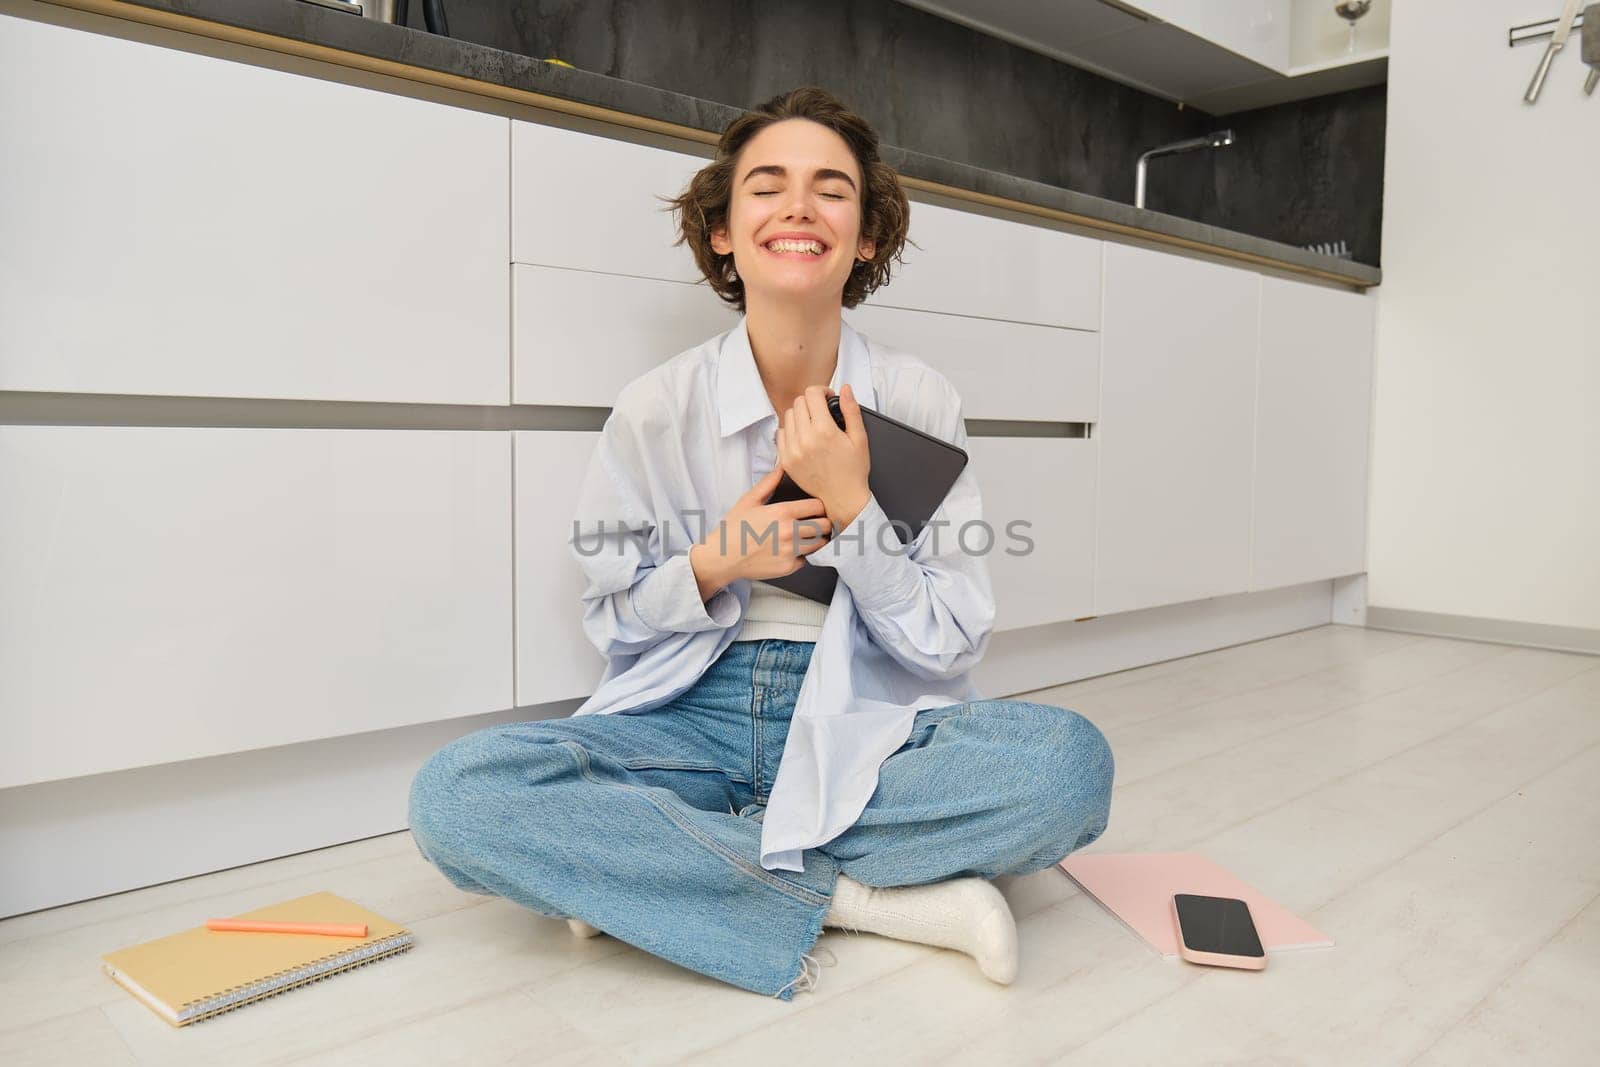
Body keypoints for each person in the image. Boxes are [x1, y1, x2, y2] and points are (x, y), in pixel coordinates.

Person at [408, 86, 1114, 1001]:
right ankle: (862, 898)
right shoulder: (657, 408)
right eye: (767, 186)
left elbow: (954, 639)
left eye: (832, 189)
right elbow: (612, 620)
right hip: (690, 712)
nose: (798, 206)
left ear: (865, 238)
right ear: (723, 234)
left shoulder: (919, 398)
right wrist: (717, 559)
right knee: (458, 797)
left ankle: (655, 871)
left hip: (875, 714)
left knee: (1068, 769)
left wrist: (858, 513)